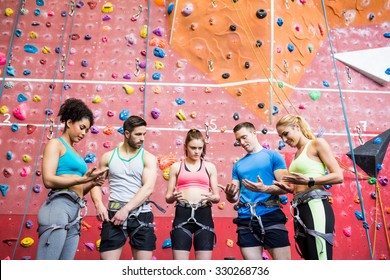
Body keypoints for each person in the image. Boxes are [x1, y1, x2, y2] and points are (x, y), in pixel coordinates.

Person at [36, 98, 107, 260]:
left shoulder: (76, 154)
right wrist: (81, 181)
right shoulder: (56, 144)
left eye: (87, 130)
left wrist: (92, 183)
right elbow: (48, 180)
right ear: (69, 122)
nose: (83, 133)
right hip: (58, 207)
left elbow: (79, 188)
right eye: (81, 127)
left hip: (75, 212)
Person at [218, 122, 291, 260]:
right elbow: (234, 198)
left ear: (254, 133)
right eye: (238, 140)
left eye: (244, 137)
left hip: (270, 216)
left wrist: (265, 188)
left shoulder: (273, 156)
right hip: (245, 219)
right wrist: (230, 194)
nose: (242, 142)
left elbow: (286, 187)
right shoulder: (238, 165)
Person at [275, 114, 343, 260]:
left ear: (297, 127)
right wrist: (289, 189)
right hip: (301, 208)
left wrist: (310, 180)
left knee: (320, 257)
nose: (284, 140)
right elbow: (302, 185)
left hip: (316, 205)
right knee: (309, 258)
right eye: (281, 137)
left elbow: (338, 176)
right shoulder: (295, 155)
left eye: (286, 134)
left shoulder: (316, 144)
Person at [90, 115, 159, 260]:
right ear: (127, 134)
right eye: (138, 134)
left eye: (144, 134)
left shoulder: (148, 158)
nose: (142, 138)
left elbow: (148, 189)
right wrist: (98, 205)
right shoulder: (108, 157)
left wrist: (126, 210)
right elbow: (95, 183)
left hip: (141, 214)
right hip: (114, 215)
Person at [165, 129, 220, 260]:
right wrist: (173, 197)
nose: (197, 151)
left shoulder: (210, 167)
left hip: (204, 214)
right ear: (186, 147)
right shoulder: (176, 167)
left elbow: (217, 197)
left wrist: (213, 197)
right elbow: (168, 198)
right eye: (193, 148)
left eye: (200, 148)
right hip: (182, 214)